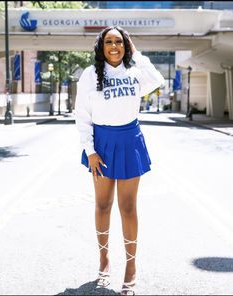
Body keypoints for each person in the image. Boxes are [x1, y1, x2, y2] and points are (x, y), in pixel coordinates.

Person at [75, 26, 165, 296]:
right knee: (103, 205)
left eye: (119, 42)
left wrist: (136, 52)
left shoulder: (135, 72)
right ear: (101, 47)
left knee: (128, 207)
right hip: (101, 143)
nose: (114, 46)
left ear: (126, 46)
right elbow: (82, 114)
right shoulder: (90, 75)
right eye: (108, 42)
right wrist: (90, 150)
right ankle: (103, 263)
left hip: (129, 141)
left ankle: (131, 267)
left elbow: (157, 79)